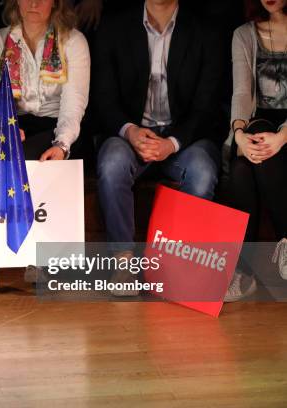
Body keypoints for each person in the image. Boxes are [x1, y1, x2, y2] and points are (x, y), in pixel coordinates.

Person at [94, 0, 225, 296]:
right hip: (131, 133)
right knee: (112, 163)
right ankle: (123, 263)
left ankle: (184, 265)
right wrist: (130, 131)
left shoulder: (205, 30)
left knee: (203, 171)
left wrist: (172, 142)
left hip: (184, 137)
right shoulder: (114, 26)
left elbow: (207, 104)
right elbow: (103, 97)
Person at [0, 0, 90, 290]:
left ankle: (38, 257)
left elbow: (73, 103)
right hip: (13, 122)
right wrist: (6, 128)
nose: (34, 3)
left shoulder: (72, 41)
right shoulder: (1, 40)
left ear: (56, 3)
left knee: (33, 157)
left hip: (56, 125)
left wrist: (62, 144)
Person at [224, 0, 287, 302]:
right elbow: (241, 92)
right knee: (245, 160)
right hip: (259, 125)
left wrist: (283, 136)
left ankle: (243, 272)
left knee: (245, 168)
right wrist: (237, 135)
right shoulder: (244, 34)